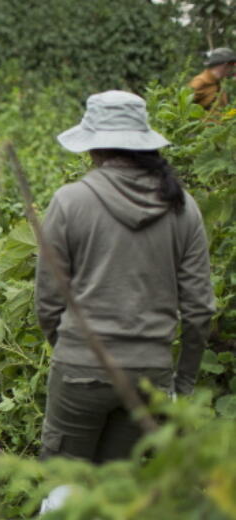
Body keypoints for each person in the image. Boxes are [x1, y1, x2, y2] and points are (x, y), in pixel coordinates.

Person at [36, 90, 215, 463]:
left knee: (63, 486)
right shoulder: (183, 207)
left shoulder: (70, 202)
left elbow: (49, 301)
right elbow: (199, 310)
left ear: (94, 148)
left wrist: (73, 353)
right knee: (119, 489)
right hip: (149, 373)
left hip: (81, 369)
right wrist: (182, 382)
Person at [189, 47, 236, 111]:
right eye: (232, 64)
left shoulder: (218, 82)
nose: (233, 68)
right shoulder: (200, 82)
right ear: (224, 65)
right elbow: (183, 108)